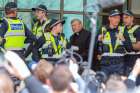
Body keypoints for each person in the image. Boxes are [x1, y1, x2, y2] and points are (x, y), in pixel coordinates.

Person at [97, 9, 131, 76]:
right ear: (109, 18)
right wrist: (98, 40)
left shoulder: (123, 30)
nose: (117, 20)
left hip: (119, 65)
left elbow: (129, 48)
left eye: (118, 18)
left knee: (117, 85)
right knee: (104, 84)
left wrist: (123, 39)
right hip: (105, 65)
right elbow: (96, 47)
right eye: (115, 17)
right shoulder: (102, 29)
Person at [122, 10, 140, 76]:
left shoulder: (138, 29)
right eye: (123, 18)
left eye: (126, 17)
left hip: (134, 58)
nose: (124, 20)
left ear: (132, 18)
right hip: (123, 58)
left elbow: (138, 46)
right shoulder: (122, 29)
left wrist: (125, 42)